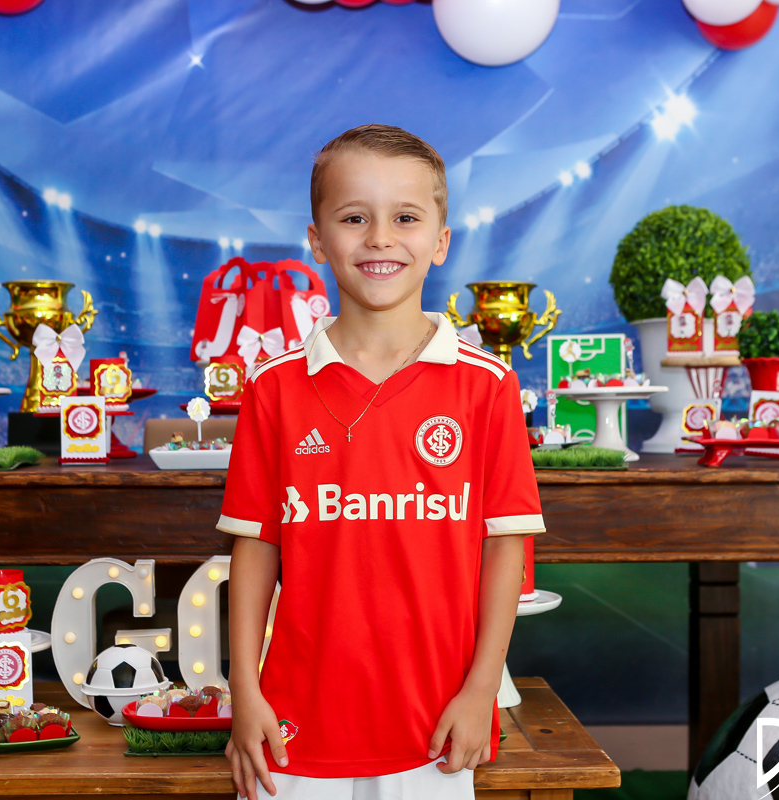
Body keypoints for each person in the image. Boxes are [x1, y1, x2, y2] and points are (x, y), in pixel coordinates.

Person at [218, 124, 545, 800]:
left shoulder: (487, 386)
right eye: (354, 218)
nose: (379, 238)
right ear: (317, 239)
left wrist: (481, 690)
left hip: (435, 727)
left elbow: (505, 547)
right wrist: (244, 691)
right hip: (294, 728)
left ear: (441, 240)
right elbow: (255, 548)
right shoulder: (273, 387)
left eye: (405, 218)